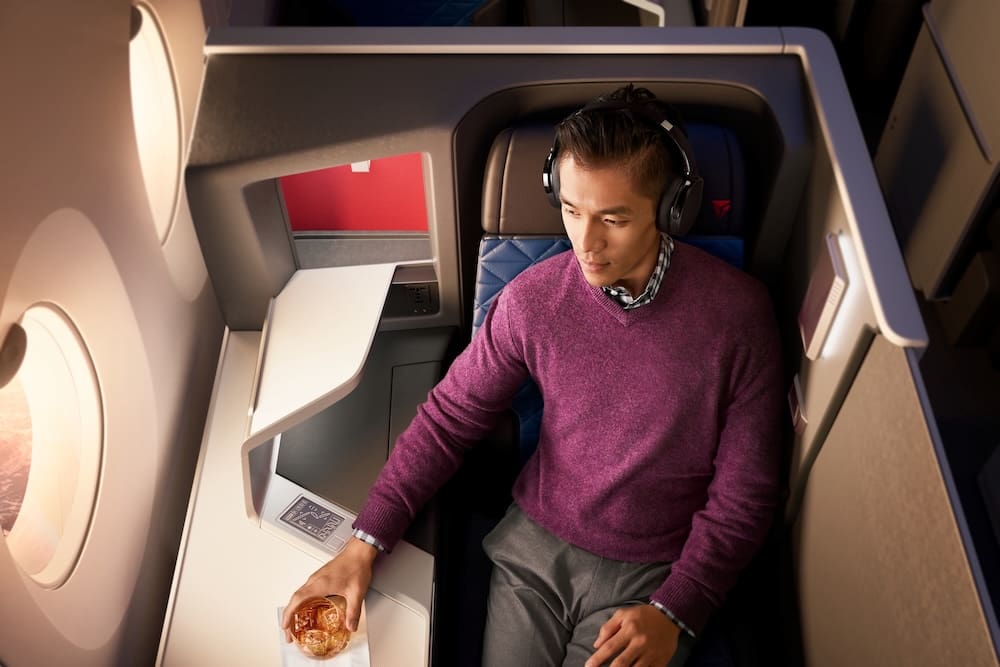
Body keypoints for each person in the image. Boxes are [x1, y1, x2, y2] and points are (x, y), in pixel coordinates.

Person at [282, 84, 784, 667]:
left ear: (670, 208)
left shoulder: (739, 319)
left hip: (653, 574)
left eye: (614, 219)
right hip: (532, 553)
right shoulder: (534, 302)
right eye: (572, 211)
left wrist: (679, 606)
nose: (586, 244)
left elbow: (745, 496)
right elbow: (448, 422)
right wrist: (363, 543)